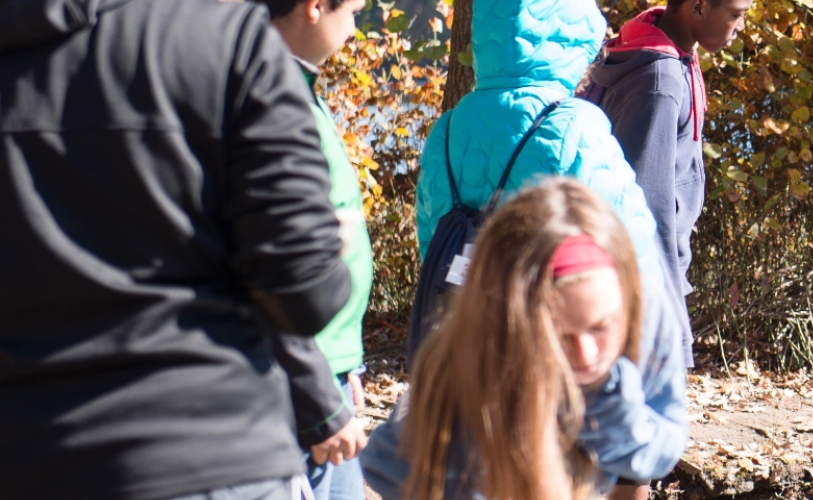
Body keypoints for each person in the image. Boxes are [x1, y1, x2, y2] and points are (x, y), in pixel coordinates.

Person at [0, 0, 354, 498]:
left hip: (28, 457)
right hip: (213, 450)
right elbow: (304, 292)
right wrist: (327, 243)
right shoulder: (228, 38)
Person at [363, 0, 690, 493]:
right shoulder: (574, 124)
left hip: (470, 329)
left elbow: (433, 238)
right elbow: (628, 243)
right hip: (558, 335)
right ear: (571, 33)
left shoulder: (446, 129)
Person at [367, 179, 650, 500]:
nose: (587, 355)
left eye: (602, 326)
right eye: (559, 335)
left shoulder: (617, 386)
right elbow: (382, 470)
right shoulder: (451, 404)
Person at [579, 2, 750, 493]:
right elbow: (644, 210)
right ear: (698, 7)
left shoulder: (655, 51)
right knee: (638, 448)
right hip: (637, 287)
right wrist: (668, 315)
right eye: (736, 14)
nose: (740, 27)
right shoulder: (659, 80)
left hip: (620, 281)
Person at [249, 0, 377, 497]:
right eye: (354, 7)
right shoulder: (270, 104)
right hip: (299, 380)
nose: (360, 13)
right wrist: (322, 399)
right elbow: (273, 268)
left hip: (324, 366)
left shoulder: (293, 88)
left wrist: (348, 365)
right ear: (315, 7)